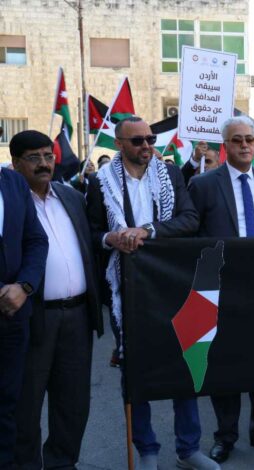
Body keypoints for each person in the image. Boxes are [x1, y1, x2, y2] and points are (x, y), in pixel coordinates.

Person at [85, 116, 211, 470]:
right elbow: (91, 232)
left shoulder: (170, 175)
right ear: (119, 144)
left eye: (150, 139)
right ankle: (147, 450)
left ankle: (188, 449)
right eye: (138, 141)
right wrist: (111, 238)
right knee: (135, 369)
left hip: (172, 284)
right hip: (127, 288)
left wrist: (148, 231)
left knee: (185, 363)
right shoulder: (99, 182)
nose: (146, 146)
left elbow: (189, 219)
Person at [188, 116, 254, 464]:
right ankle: (225, 435)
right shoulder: (203, 185)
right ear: (225, 145)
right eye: (237, 140)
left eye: (250, 140)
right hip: (223, 288)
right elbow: (192, 236)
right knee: (226, 363)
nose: (245, 145)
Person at [10, 130, 102, 469]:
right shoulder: (8, 202)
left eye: (48, 156)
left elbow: (91, 244)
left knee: (73, 402)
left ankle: (62, 463)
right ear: (15, 163)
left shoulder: (71, 197)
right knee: (26, 404)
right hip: (32, 317)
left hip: (77, 317)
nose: (44, 164)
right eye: (34, 158)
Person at [0, 139, 49, 470]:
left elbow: (35, 240)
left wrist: (24, 286)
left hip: (13, 316)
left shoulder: (14, 183)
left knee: (7, 405)